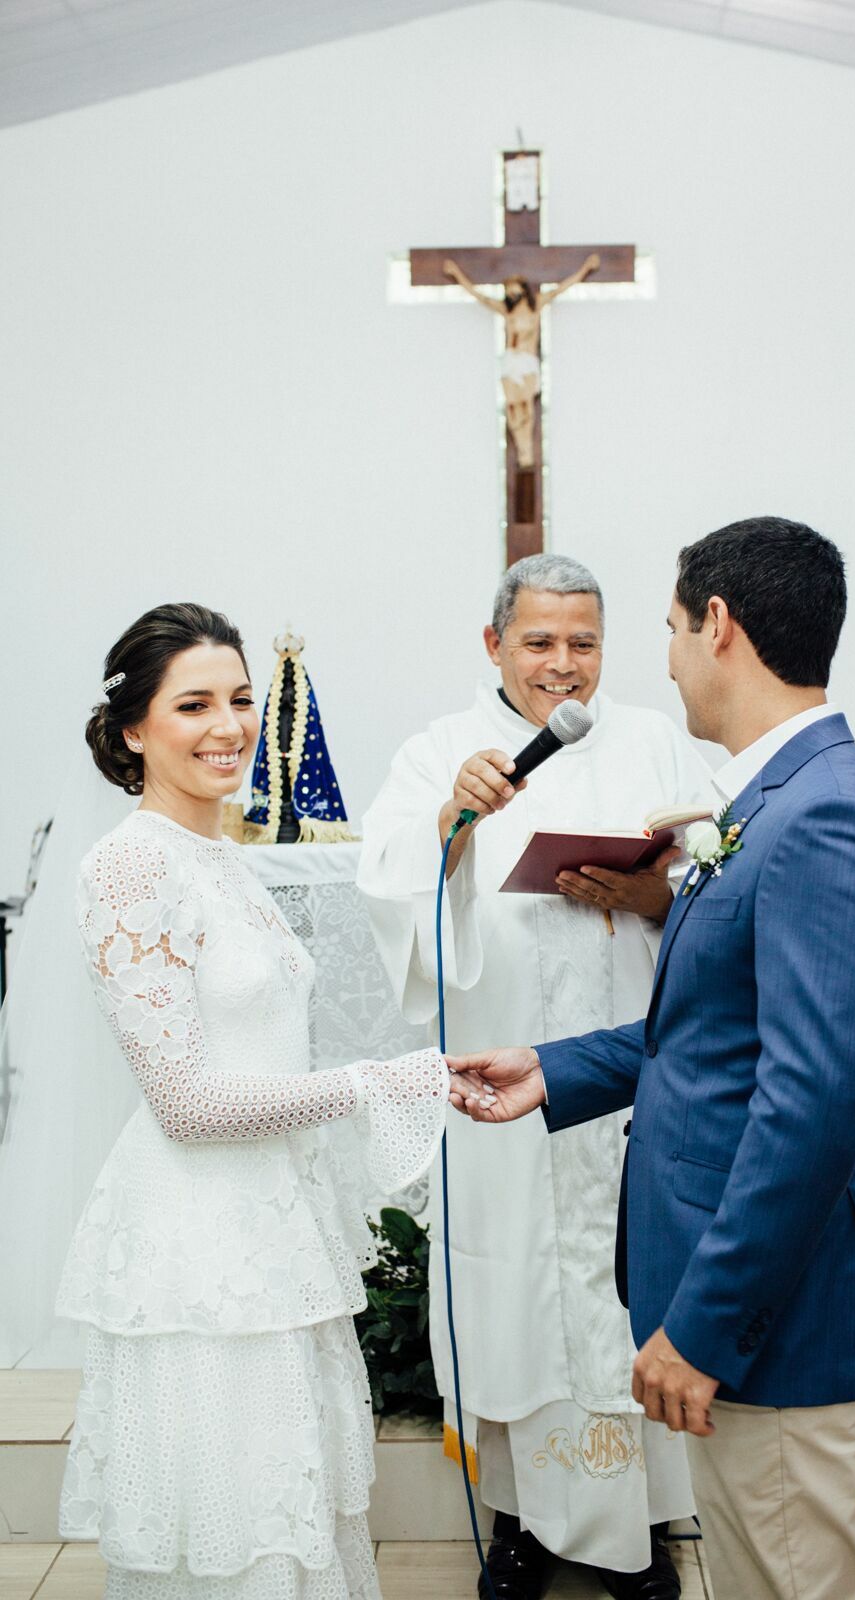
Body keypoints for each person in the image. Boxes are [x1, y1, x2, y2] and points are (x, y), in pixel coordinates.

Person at [448, 518, 855, 1600]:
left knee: (791, 1581)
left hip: (777, 1316)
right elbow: (719, 1031)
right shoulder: (769, 800)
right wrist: (555, 1068)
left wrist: (704, 1325)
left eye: (669, 628)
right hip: (758, 1301)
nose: (664, 658)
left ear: (717, 626)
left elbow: (807, 1108)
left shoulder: (821, 818)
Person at [60, 602, 465, 1600]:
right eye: (192, 704)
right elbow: (186, 1101)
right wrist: (373, 1084)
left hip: (271, 1225)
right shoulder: (130, 862)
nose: (229, 725)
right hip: (200, 1251)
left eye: (240, 699)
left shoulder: (223, 857)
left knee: (289, 1516)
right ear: (132, 731)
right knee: (230, 1527)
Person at [358, 555, 716, 1599]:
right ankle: (516, 1521)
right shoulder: (439, 751)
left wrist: (653, 893)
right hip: (501, 1084)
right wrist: (449, 827)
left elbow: (719, 887)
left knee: (621, 1298)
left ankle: (642, 1529)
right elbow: (395, 893)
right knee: (510, 1293)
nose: (564, 664)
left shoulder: (653, 739)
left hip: (622, 1091)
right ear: (493, 645)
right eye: (539, 641)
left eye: (584, 642)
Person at [443, 256, 600, 467]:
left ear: (523, 290)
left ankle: (527, 451)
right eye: (508, 291)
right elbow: (479, 297)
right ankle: (521, 449)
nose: (511, 294)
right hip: (511, 361)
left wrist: (586, 268)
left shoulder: (536, 307)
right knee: (513, 408)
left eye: (514, 290)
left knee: (526, 406)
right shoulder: (506, 312)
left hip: (527, 361)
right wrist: (456, 273)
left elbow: (563, 287)